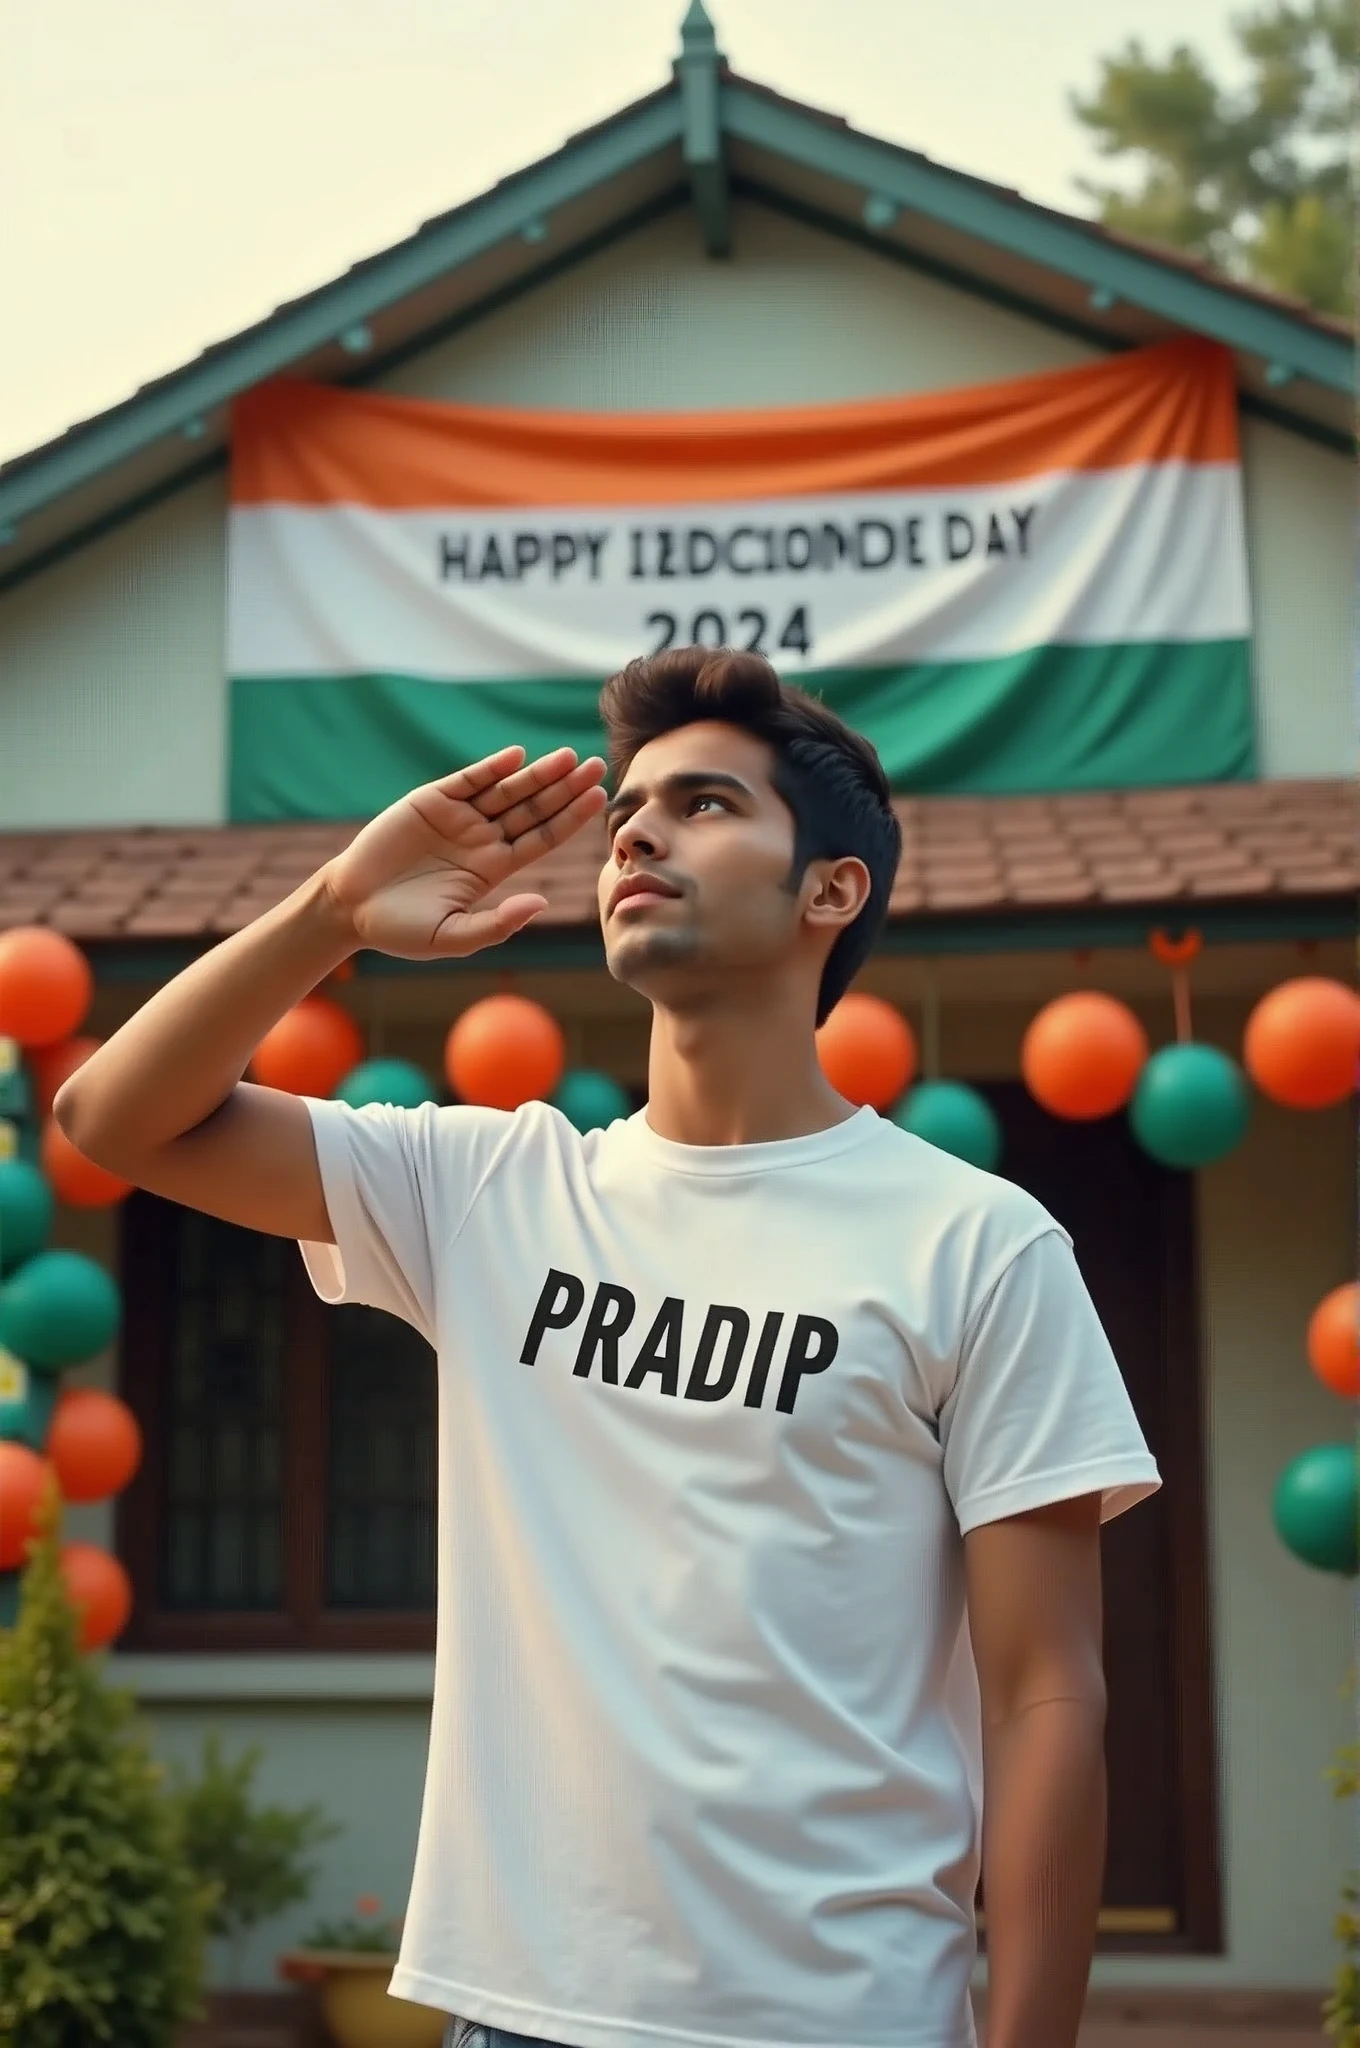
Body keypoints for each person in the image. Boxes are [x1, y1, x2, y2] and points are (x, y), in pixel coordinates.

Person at [57, 645, 1160, 2048]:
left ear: (833, 888)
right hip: (515, 2013)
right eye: (630, 809)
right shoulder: (488, 1192)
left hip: (839, 2018)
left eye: (705, 805)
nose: (635, 830)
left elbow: (1046, 1693)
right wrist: (334, 910)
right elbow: (111, 1121)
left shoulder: (979, 1245)